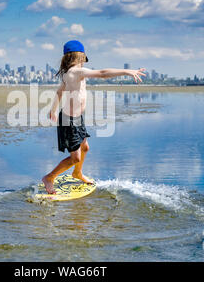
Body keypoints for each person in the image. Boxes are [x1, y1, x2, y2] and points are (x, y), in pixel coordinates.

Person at [42, 40, 146, 194]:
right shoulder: (75, 72)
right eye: (84, 57)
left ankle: (77, 173)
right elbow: (102, 74)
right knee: (75, 157)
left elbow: (59, 91)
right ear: (79, 56)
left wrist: (53, 109)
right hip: (69, 121)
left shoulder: (69, 73)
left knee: (85, 147)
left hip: (77, 118)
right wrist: (127, 71)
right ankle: (49, 177)